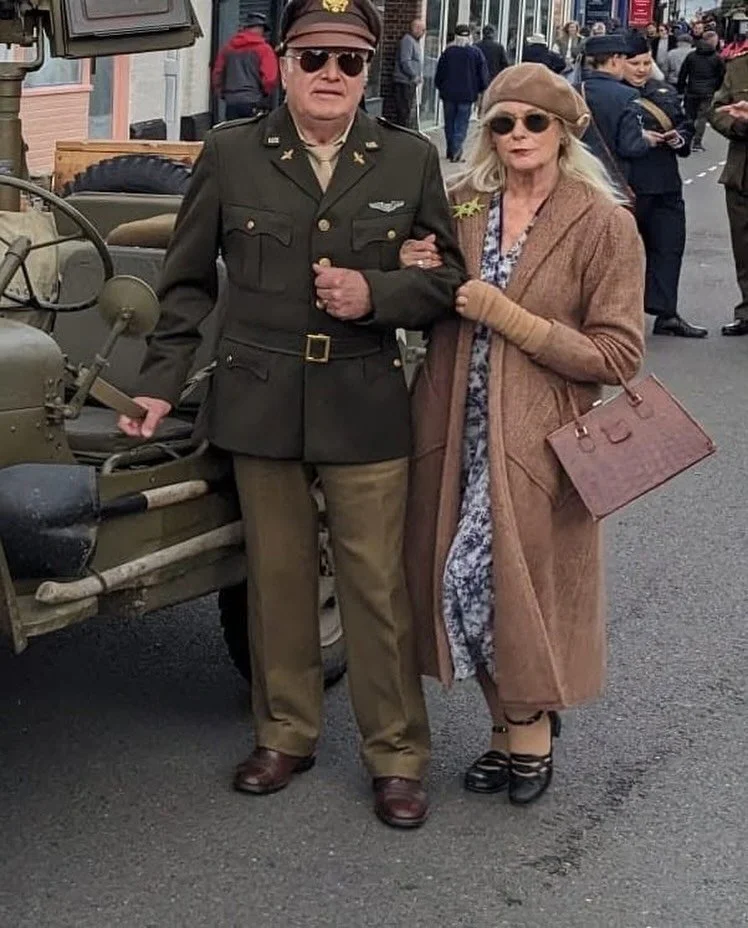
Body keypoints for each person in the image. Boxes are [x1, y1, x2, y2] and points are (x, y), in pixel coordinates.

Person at [119, 0, 467, 829]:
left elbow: (446, 279)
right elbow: (186, 284)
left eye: (349, 61)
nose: (331, 75)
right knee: (276, 581)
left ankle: (397, 754)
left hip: (363, 400)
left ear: (368, 70)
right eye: (314, 58)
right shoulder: (232, 153)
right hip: (260, 399)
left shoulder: (407, 158)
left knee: (375, 587)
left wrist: (376, 293)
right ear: (284, 61)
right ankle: (285, 733)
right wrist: (160, 383)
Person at [400, 63, 644, 805]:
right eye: (502, 122)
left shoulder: (603, 223)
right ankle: (506, 728)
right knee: (456, 585)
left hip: (539, 441)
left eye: (535, 122)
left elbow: (617, 355)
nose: (518, 135)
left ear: (563, 132)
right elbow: (423, 300)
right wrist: (413, 269)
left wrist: (507, 315)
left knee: (496, 585)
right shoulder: (463, 203)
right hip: (452, 428)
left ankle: (529, 726)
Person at [623, 33, 707, 337]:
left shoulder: (663, 90)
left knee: (669, 248)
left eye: (646, 63)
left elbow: (684, 123)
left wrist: (679, 138)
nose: (642, 69)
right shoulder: (611, 95)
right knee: (620, 257)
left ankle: (666, 312)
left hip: (666, 183)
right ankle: (616, 316)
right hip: (627, 185)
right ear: (618, 62)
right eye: (635, 63)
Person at [577, 34, 654, 182]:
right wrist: (647, 141)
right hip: (611, 176)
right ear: (614, 59)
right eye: (624, 59)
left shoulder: (572, 90)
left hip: (578, 172)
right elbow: (630, 146)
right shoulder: (628, 95)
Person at [709, 56, 748, 335]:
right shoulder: (738, 68)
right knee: (744, 249)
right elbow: (717, 110)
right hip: (742, 175)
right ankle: (747, 312)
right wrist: (737, 125)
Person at [435, 24, 489, 162]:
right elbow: (482, 74)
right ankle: (456, 150)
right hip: (467, 94)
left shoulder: (448, 53)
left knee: (449, 123)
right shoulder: (476, 53)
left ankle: (451, 149)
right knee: (461, 124)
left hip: (449, 93)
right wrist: (481, 89)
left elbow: (440, 72)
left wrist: (440, 86)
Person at [211, 13, 279, 120]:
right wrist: (265, 94)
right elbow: (270, 78)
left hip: (231, 102)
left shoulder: (227, 48)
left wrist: (222, 93)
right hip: (253, 100)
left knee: (233, 129)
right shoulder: (264, 49)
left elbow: (217, 74)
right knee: (254, 130)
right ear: (260, 29)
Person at [677, 31, 726, 150]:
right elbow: (722, 75)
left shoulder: (692, 55)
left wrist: (680, 88)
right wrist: (716, 88)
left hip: (692, 89)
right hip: (708, 91)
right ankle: (697, 142)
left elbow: (683, 73)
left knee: (690, 116)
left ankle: (687, 139)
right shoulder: (717, 57)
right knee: (702, 117)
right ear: (713, 42)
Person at [392, 18, 425, 128]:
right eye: (422, 30)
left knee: (407, 110)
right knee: (403, 110)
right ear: (415, 29)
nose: (423, 33)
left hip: (409, 81)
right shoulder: (408, 40)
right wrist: (414, 75)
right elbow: (405, 61)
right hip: (404, 81)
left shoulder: (414, 42)